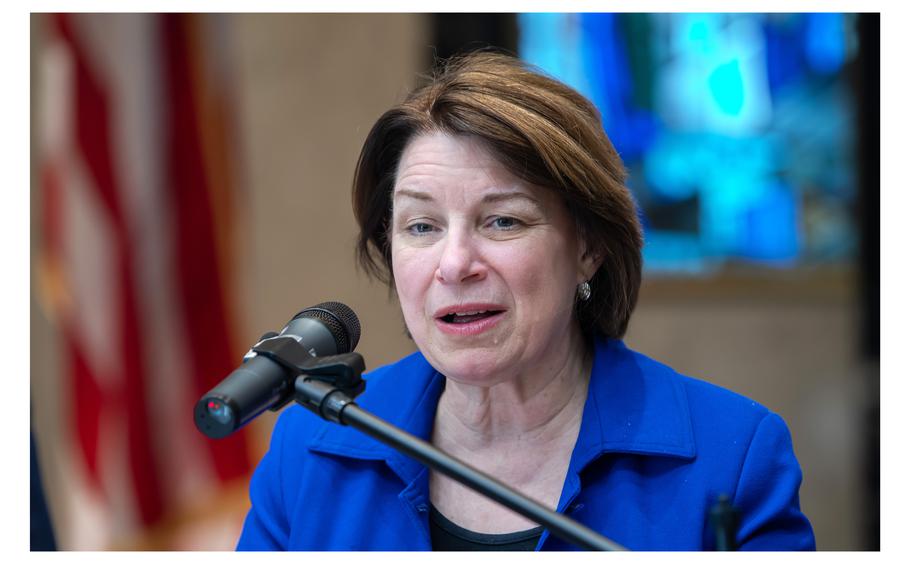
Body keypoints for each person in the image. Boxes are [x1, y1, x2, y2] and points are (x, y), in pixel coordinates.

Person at [235, 52, 815, 551]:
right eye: (421, 226)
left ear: (588, 247)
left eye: (502, 220)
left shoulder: (733, 456)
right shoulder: (310, 452)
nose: (455, 263)